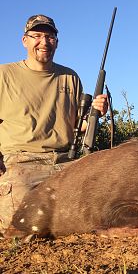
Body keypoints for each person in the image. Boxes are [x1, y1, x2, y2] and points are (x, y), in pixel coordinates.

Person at [0, 15, 108, 233]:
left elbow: (79, 126)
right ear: (25, 40)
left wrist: (96, 114)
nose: (44, 42)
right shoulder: (4, 74)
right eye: (37, 36)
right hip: (21, 162)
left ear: (56, 42)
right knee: (20, 225)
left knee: (103, 209)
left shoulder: (70, 77)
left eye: (49, 37)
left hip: (64, 162)